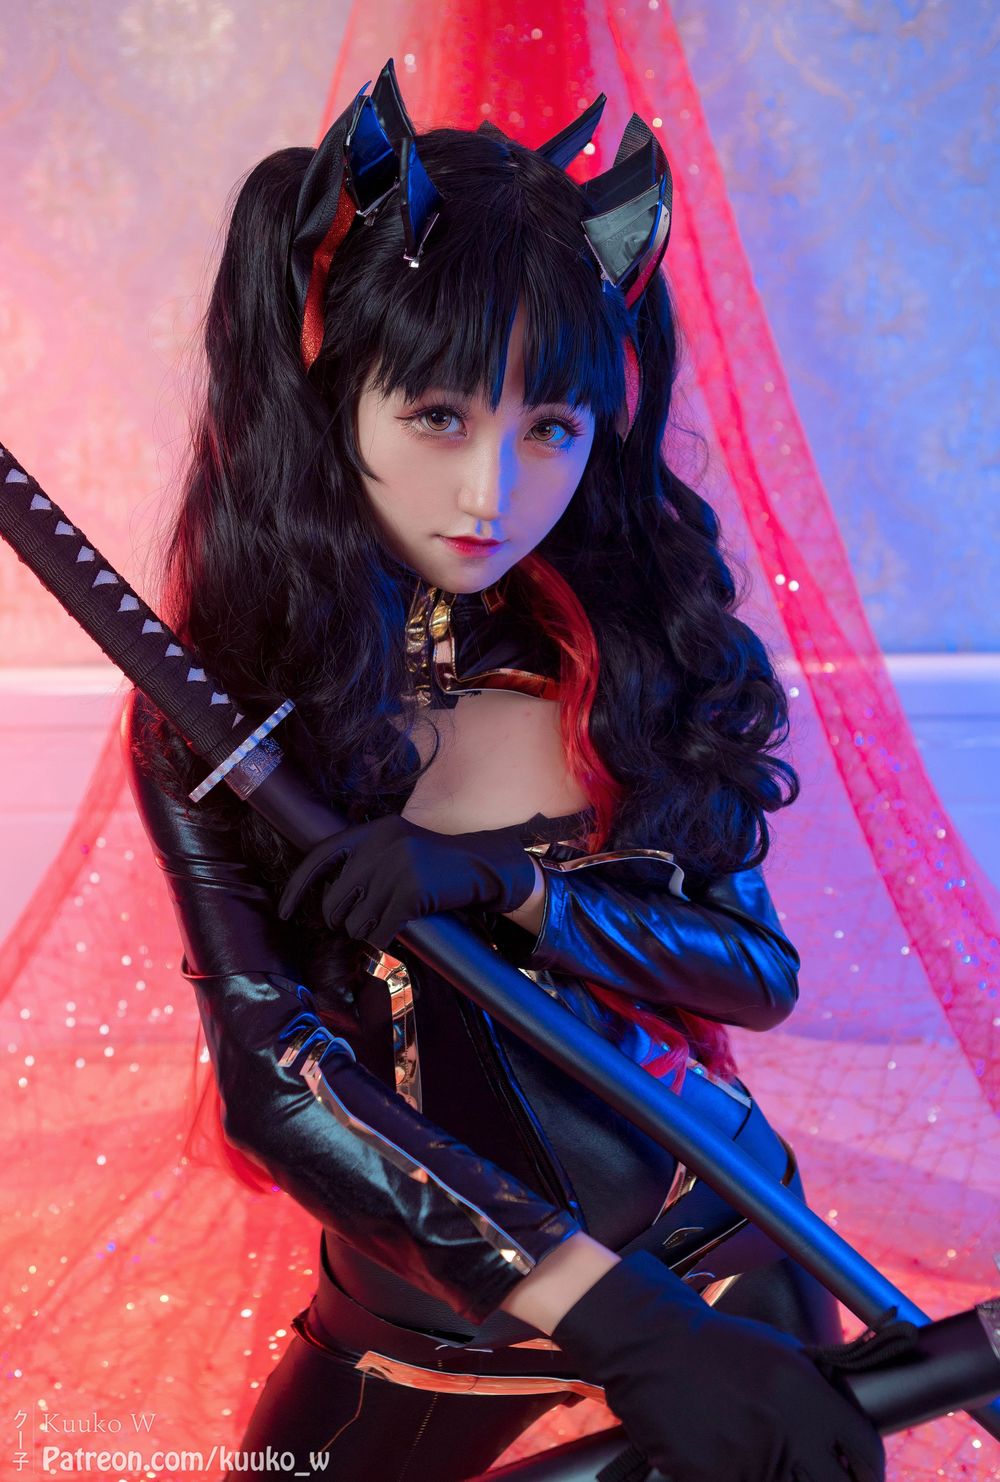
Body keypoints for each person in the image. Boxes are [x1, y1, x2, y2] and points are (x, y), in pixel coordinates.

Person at [121, 59, 886, 1482]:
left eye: (550, 428)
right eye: (438, 416)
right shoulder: (212, 712)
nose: (493, 493)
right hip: (427, 1299)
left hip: (713, 1245)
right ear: (336, 393)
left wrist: (513, 887)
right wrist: (622, 1325)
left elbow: (756, 973)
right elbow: (274, 1079)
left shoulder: (637, 655)